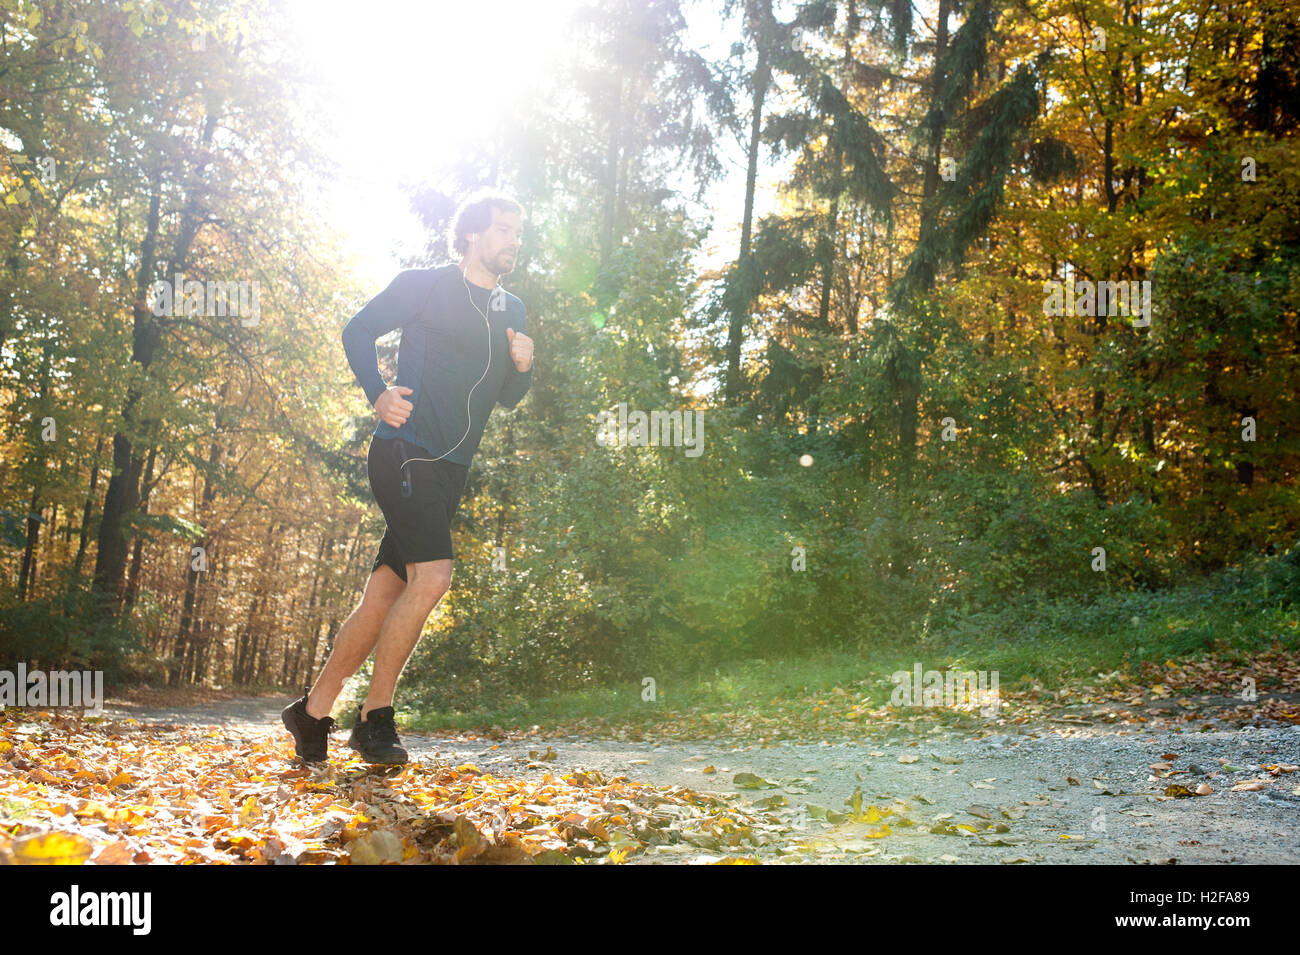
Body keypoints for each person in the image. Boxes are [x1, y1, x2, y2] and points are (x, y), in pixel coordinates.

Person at [281, 190, 533, 764]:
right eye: (501, 230)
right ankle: (375, 718)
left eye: (517, 232)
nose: (512, 240)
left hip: (451, 470)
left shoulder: (511, 311)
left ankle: (311, 714)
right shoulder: (424, 285)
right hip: (404, 452)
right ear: (471, 235)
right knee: (434, 575)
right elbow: (357, 331)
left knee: (386, 593)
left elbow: (510, 399)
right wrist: (378, 394)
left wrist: (524, 366)